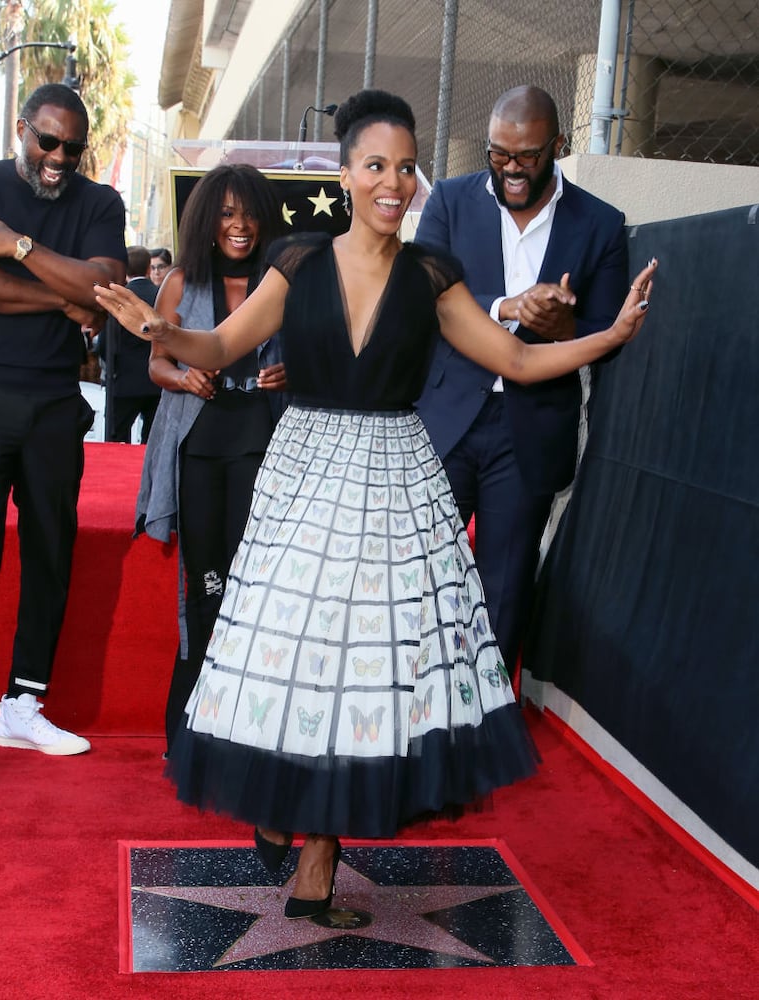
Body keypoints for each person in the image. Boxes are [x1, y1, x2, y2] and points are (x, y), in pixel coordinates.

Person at [96, 89, 655, 919]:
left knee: (368, 671)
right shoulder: (298, 264)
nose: (393, 182)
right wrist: (158, 331)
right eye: (375, 165)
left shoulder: (433, 275)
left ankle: (317, 868)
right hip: (305, 477)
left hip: (397, 484)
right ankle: (287, 810)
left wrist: (608, 337)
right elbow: (217, 345)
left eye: (405, 166)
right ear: (346, 175)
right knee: (292, 655)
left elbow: (515, 356)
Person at [0, 83, 127, 781]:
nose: (59, 158)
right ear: (23, 129)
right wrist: (60, 293)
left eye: (73, 147)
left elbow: (103, 286)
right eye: (48, 141)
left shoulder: (100, 203)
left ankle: (23, 705)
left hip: (53, 398)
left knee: (51, 547)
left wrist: (12, 245)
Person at [414, 85, 629, 682]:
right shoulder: (451, 203)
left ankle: (485, 715)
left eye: (527, 156)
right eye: (498, 153)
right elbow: (422, 299)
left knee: (505, 583)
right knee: (423, 570)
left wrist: (564, 326)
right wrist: (507, 307)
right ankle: (412, 698)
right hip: (447, 418)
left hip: (530, 430)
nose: (510, 167)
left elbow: (605, 337)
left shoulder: (601, 224)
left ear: (558, 145)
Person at [134, 163, 286, 755]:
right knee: (205, 583)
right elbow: (154, 364)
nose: (239, 225)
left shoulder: (283, 282)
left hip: (261, 446)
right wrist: (182, 373)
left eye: (248, 213)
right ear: (207, 221)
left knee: (251, 585)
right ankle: (192, 725)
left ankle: (245, 726)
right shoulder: (180, 282)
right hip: (198, 448)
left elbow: (317, 357)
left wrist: (291, 372)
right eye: (226, 214)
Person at [96, 245, 161, 442]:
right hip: (157, 382)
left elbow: (105, 344)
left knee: (116, 439)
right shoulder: (162, 295)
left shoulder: (119, 299)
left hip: (124, 382)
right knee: (153, 442)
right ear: (149, 268)